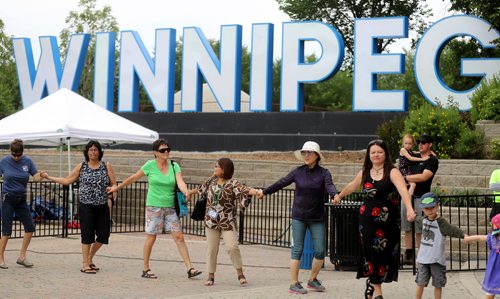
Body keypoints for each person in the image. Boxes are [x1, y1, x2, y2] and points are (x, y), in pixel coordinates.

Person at [333, 139, 416, 299]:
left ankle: (372, 282)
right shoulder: (365, 171)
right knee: (372, 255)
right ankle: (378, 294)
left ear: (385, 154)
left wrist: (410, 209)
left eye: (379, 152)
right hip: (367, 223)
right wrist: (340, 195)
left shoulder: (392, 171)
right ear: (369, 155)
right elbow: (353, 185)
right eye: (373, 152)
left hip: (389, 224)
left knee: (385, 256)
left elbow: (402, 190)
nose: (376, 155)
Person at [107, 138, 201, 279]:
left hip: (170, 207)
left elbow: (180, 181)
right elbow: (133, 178)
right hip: (154, 207)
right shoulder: (150, 165)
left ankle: (190, 268)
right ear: (155, 152)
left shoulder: (174, 166)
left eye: (168, 149)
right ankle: (146, 269)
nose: (166, 152)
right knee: (151, 237)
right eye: (163, 150)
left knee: (179, 237)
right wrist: (117, 187)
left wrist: (186, 191)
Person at [257, 141, 338, 294]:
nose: (306, 155)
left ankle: (312, 280)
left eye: (309, 152)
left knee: (320, 251)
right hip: (299, 216)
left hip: (317, 217)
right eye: (304, 153)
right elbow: (281, 182)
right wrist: (265, 191)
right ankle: (294, 283)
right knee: (297, 250)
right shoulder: (297, 171)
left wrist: (335, 195)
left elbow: (330, 186)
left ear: (317, 155)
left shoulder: (324, 173)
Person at [40, 140, 117, 274]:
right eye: (91, 150)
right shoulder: (82, 166)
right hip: (86, 205)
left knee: (104, 235)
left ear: (99, 152)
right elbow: (67, 180)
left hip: (102, 205)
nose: (93, 152)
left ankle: (89, 258)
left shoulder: (106, 166)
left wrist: (113, 190)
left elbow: (114, 184)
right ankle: (85, 264)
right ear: (87, 152)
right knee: (87, 235)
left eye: (95, 149)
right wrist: (49, 177)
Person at [187, 158, 259, 286]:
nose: (214, 168)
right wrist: (190, 193)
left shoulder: (233, 183)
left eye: (217, 166)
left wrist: (255, 192)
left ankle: (240, 273)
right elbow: (200, 189)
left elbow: (244, 190)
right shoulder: (211, 181)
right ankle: (210, 276)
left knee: (232, 247)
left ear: (224, 169)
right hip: (211, 220)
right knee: (212, 249)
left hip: (227, 221)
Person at [0, 139, 43, 269]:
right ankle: (0, 258)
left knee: (30, 227)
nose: (17, 157)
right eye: (14, 154)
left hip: (21, 199)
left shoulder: (28, 161)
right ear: (11, 152)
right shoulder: (4, 161)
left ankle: (22, 257)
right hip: (8, 198)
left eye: (19, 155)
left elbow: (36, 177)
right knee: (6, 231)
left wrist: (42, 175)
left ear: (23, 152)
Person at [414, 192, 466, 299]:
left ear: (438, 205)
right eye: (427, 208)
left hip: (437, 260)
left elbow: (452, 229)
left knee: (438, 284)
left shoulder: (441, 223)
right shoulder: (423, 220)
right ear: (423, 209)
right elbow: (416, 218)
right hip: (423, 259)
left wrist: (464, 235)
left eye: (432, 207)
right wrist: (412, 215)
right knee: (420, 283)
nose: (430, 210)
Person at [402, 134, 439, 265]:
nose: (420, 144)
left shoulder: (432, 160)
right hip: (407, 196)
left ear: (430, 144)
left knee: (419, 227)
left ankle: (421, 255)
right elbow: (404, 153)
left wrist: (405, 178)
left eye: (423, 142)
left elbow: (424, 177)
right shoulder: (415, 156)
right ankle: (408, 254)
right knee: (407, 226)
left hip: (421, 197)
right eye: (418, 142)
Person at [464, 213, 500, 299]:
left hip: (495, 270)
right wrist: (468, 238)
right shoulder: (493, 239)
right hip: (495, 271)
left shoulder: (493, 238)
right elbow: (480, 237)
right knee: (491, 292)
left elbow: (480, 237)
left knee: (490, 292)